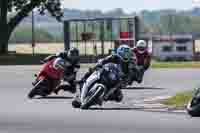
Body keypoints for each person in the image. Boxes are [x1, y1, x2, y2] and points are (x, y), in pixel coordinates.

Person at [72, 45, 140, 108]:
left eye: (127, 54)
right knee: (91, 71)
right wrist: (98, 64)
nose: (126, 55)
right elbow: (104, 60)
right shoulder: (114, 57)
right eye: (124, 54)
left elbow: (129, 78)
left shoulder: (129, 66)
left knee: (119, 97)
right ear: (120, 53)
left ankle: (100, 98)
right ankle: (82, 83)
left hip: (116, 81)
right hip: (106, 72)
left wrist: (125, 82)